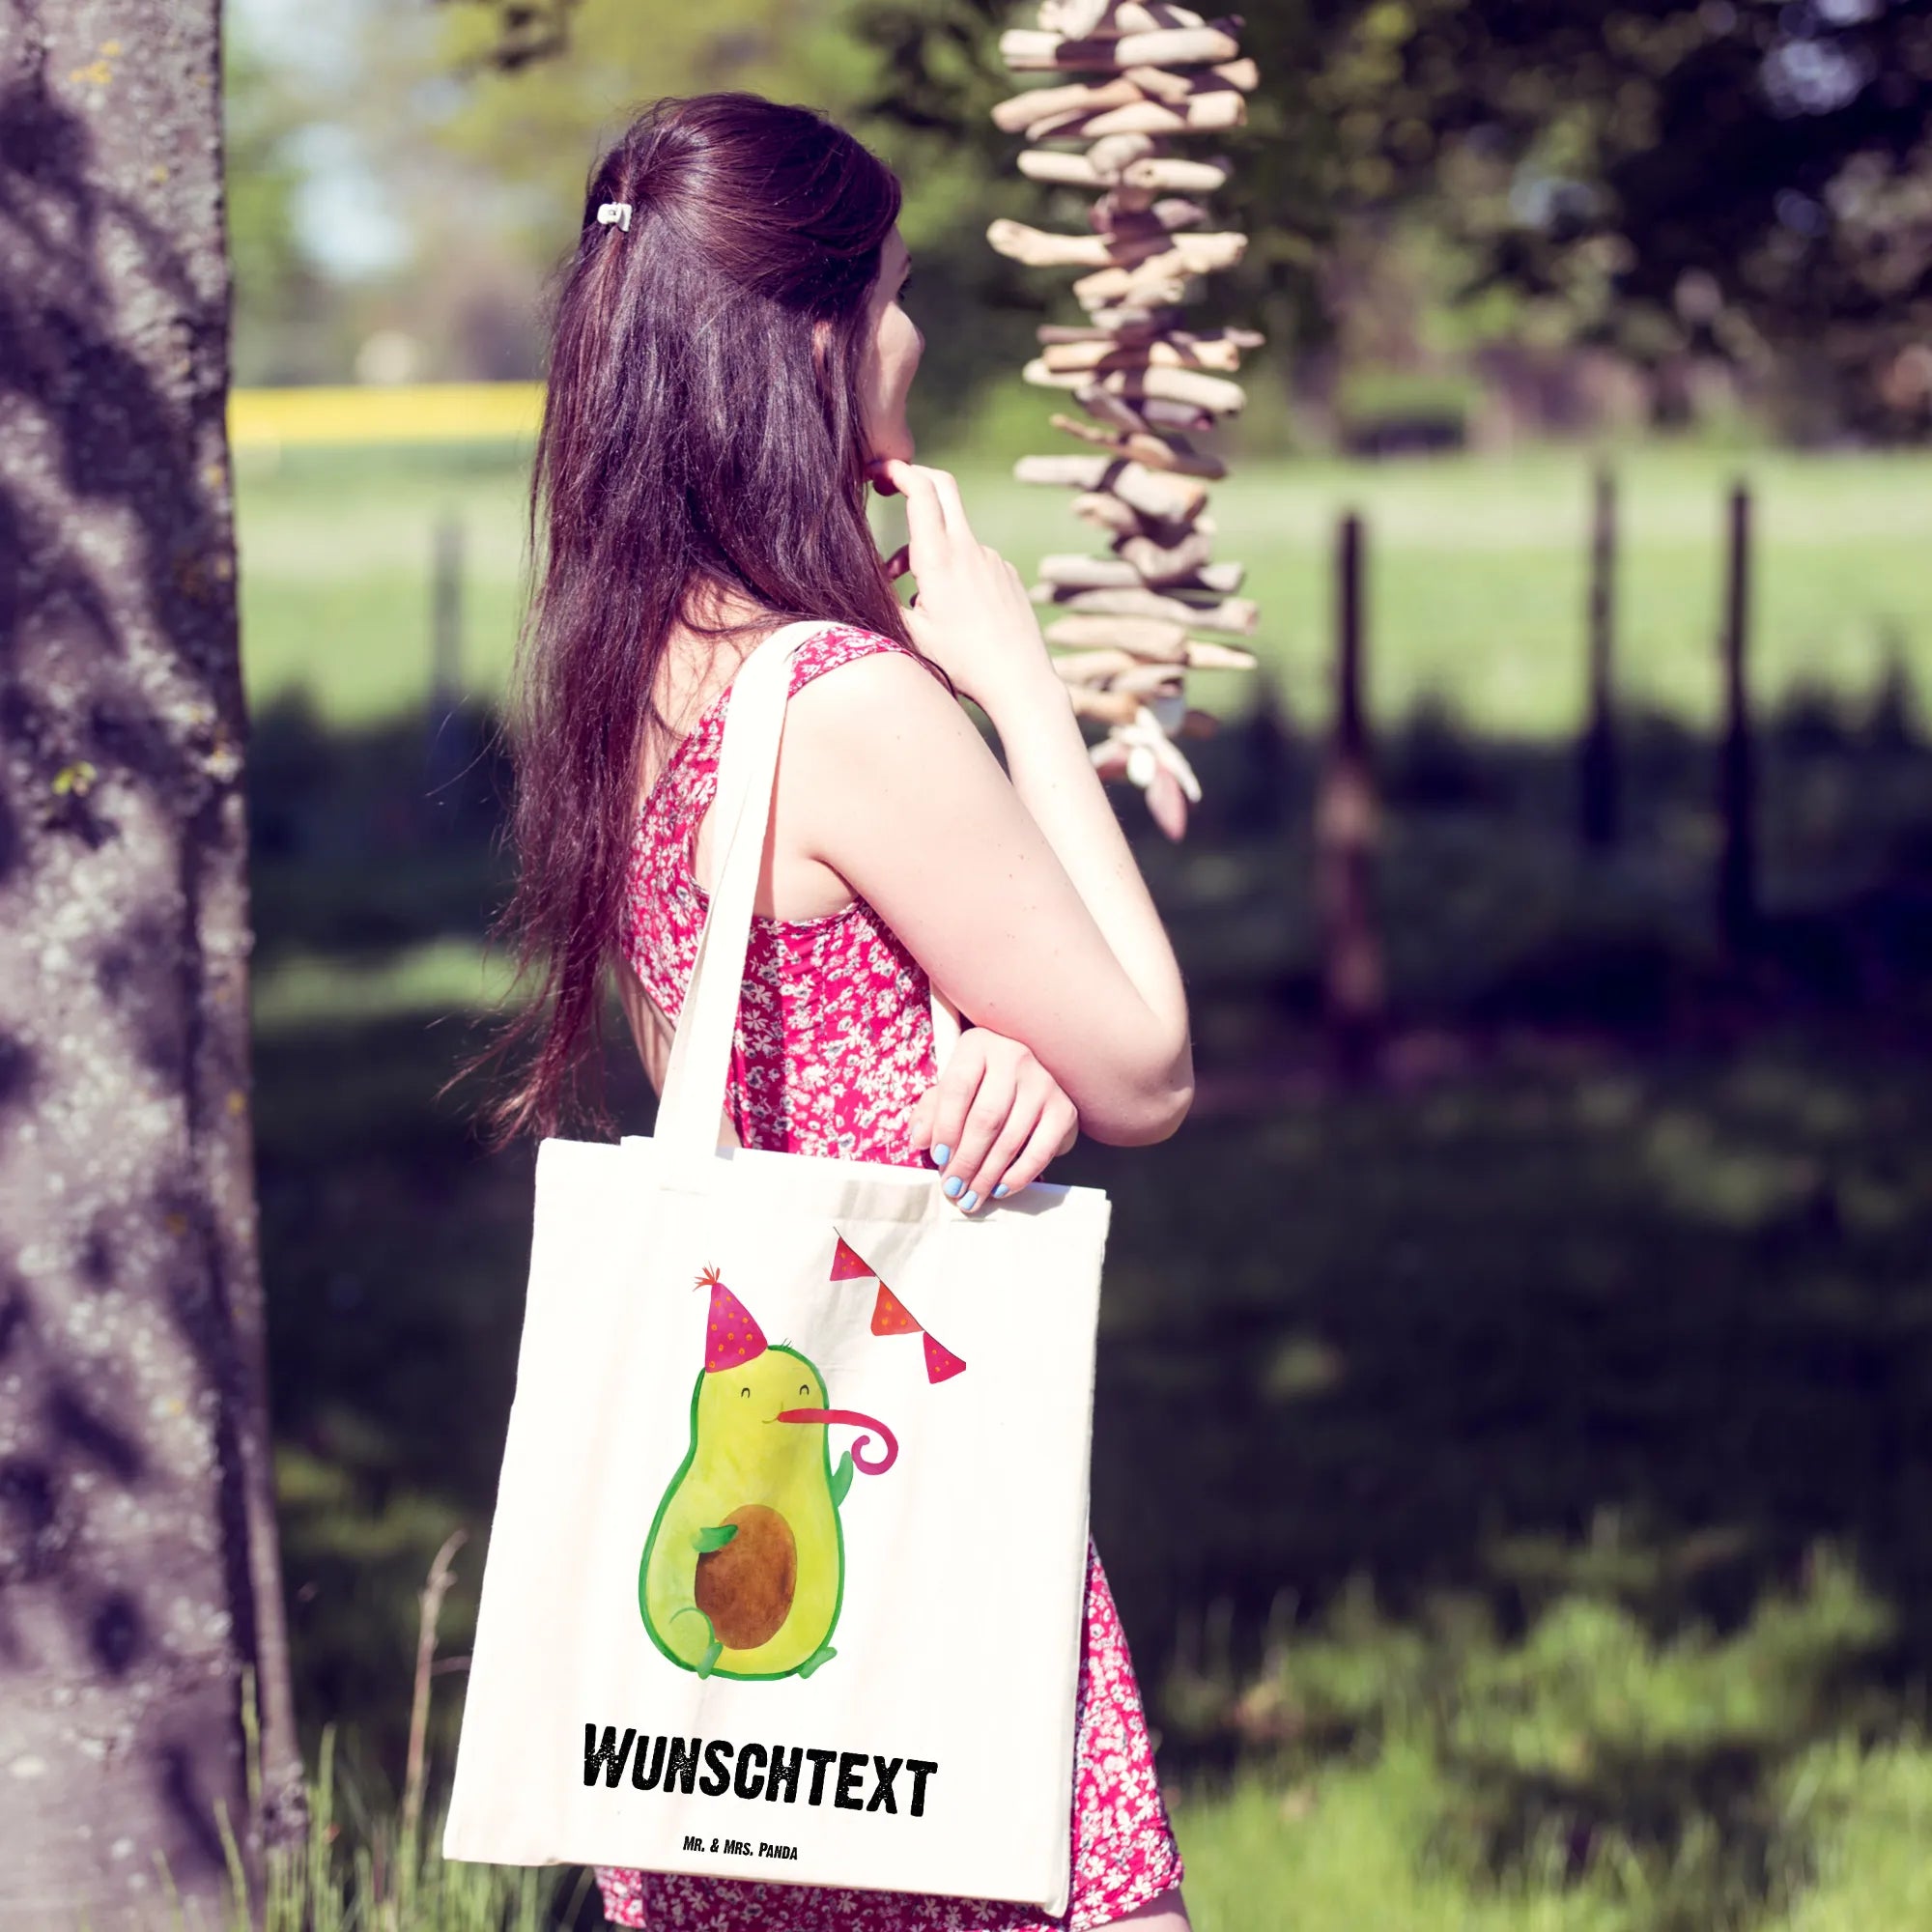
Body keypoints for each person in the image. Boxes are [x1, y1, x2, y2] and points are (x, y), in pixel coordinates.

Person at [483, 91, 1197, 1932]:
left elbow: (744, 1050)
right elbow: (1147, 1063)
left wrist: (980, 1038)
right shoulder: (849, 704)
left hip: (732, 1659)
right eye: (891, 293)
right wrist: (1020, 690)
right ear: (810, 337)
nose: (914, 336)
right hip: (912, 1544)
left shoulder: (634, 670)